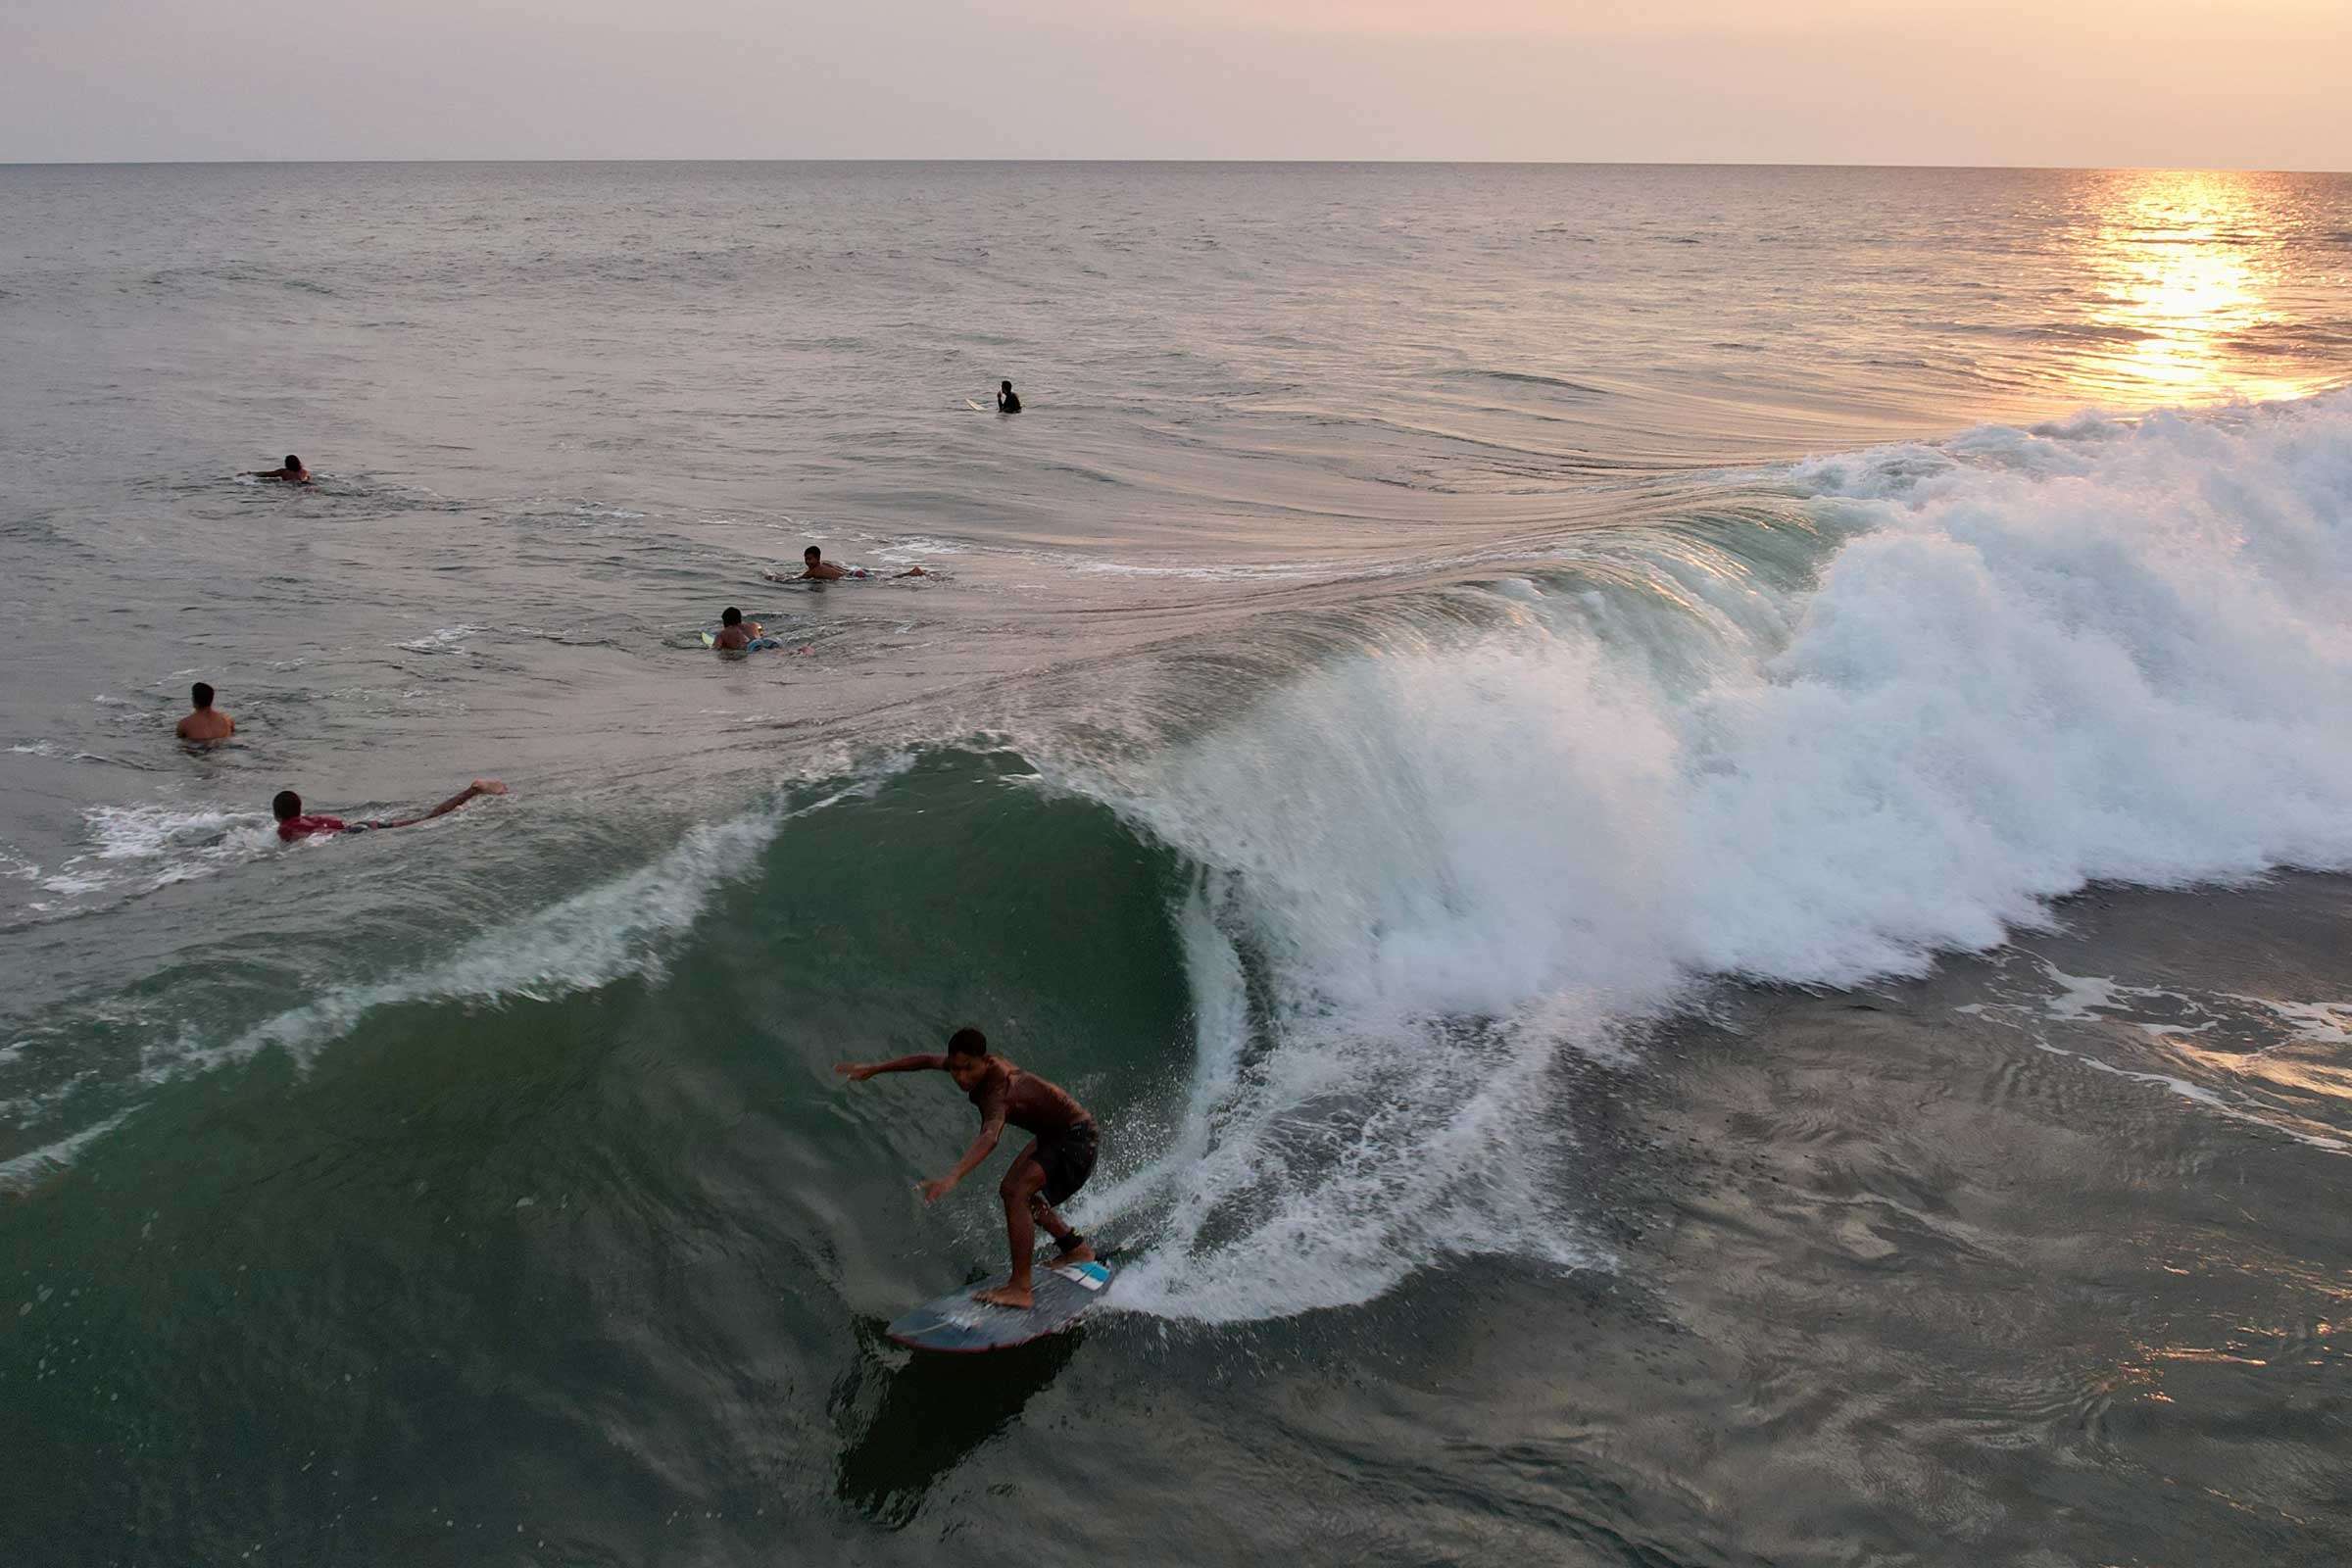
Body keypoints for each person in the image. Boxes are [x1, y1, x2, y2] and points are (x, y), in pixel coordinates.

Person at [836, 1026, 1099, 1309]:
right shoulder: (972, 1066)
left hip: (1077, 1138)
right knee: (1013, 1191)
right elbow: (925, 1060)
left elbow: (990, 1137)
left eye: (968, 1069)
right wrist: (875, 1069)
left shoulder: (1000, 1091)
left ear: (985, 1061)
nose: (961, 1077)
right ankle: (1075, 1250)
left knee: (1015, 1192)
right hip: (1055, 1135)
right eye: (955, 1069)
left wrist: (952, 1177)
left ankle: (1020, 1289)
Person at [272, 779, 506, 842]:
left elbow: (306, 839)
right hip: (361, 826)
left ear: (277, 815)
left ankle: (474, 790)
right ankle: (472, 792)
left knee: (427, 820)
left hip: (354, 834)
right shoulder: (311, 818)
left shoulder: (286, 828)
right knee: (425, 819)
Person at [793, 545, 923, 581]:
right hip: (854, 572)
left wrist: (773, 577)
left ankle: (911, 573)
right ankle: (911, 573)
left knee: (884, 580)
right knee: (882, 576)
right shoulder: (825, 564)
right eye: (805, 558)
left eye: (810, 559)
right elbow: (840, 568)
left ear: (817, 558)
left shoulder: (814, 571)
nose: (807, 561)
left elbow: (796, 580)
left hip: (853, 577)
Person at [712, 606, 782, 651]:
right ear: (740, 618)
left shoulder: (722, 634)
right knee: (776, 651)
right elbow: (761, 634)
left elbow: (716, 648)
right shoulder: (756, 625)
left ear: (726, 622)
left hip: (749, 648)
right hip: (766, 642)